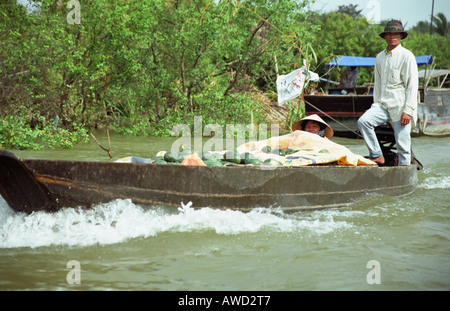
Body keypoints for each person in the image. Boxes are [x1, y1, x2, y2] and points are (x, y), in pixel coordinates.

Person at [357, 20, 418, 166]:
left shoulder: (407, 56)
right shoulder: (380, 57)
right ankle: (377, 154)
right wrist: (375, 105)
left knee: (403, 145)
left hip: (400, 106)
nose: (392, 36)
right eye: (389, 34)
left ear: (401, 36)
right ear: (385, 37)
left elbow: (412, 85)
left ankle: (403, 173)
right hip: (383, 105)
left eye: (396, 33)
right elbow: (378, 84)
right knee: (363, 122)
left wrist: (408, 110)